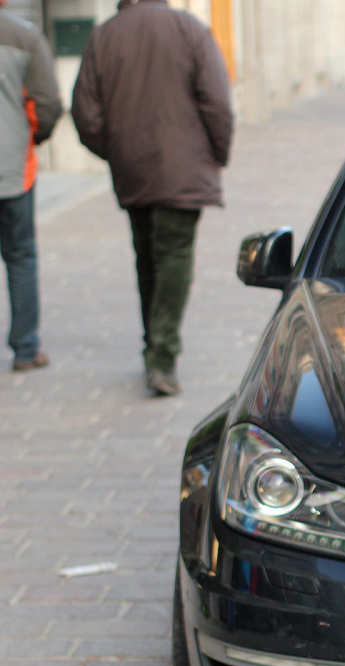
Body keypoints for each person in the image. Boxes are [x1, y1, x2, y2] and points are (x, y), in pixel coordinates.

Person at [71, 0, 233, 396]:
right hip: (181, 166)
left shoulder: (103, 36)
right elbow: (218, 102)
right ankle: (162, 357)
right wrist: (217, 152)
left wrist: (117, 150)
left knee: (147, 258)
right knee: (173, 257)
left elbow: (85, 114)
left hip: (133, 167)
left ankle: (153, 347)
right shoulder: (189, 29)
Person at [0, 1, 61, 372]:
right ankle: (25, 348)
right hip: (12, 169)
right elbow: (47, 104)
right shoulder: (24, 36)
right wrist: (32, 137)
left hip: (14, 166)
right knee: (21, 256)